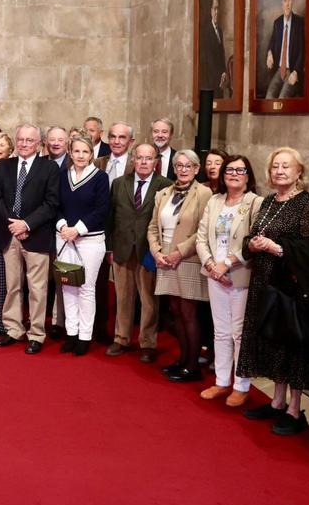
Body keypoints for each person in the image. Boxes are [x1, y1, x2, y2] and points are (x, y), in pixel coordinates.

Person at [238, 147, 309, 436]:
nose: (280, 171)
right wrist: (251, 243)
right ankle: (276, 402)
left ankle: (294, 409)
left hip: (292, 287)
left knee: (292, 347)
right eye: (275, 166)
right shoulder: (269, 201)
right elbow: (253, 234)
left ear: (299, 172)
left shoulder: (306, 203)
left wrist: (275, 248)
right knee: (273, 343)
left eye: (286, 166)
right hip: (264, 283)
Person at [196, 154, 263, 406]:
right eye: (229, 170)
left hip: (240, 274)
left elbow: (254, 241)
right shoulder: (215, 201)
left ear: (248, 176)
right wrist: (212, 265)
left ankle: (241, 385)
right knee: (221, 331)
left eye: (240, 170)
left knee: (239, 332)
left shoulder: (255, 202)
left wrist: (228, 263)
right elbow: (201, 237)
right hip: (215, 273)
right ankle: (221, 382)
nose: (234, 174)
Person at [0, 124, 60, 354]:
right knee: (12, 286)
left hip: (36, 235)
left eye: (29, 140)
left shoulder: (49, 168)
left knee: (37, 288)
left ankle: (36, 334)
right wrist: (13, 224)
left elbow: (51, 204)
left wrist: (27, 224)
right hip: (9, 235)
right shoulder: (4, 166)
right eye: (20, 139)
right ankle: (13, 329)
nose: (23, 144)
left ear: (39, 143)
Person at [147, 150, 212, 381]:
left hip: (188, 259)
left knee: (188, 314)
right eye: (179, 166)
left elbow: (203, 230)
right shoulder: (163, 193)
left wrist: (178, 252)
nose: (183, 170)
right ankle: (182, 359)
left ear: (196, 169)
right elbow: (153, 227)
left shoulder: (204, 194)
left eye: (189, 166)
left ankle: (193, 365)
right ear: (174, 168)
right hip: (164, 259)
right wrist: (156, 251)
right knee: (174, 312)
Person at [104, 143, 170, 362]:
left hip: (147, 250)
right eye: (139, 157)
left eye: (148, 158)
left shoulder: (165, 186)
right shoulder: (119, 183)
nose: (143, 162)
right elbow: (112, 217)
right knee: (123, 297)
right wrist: (110, 246)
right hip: (122, 248)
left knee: (149, 299)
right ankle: (121, 338)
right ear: (133, 159)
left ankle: (148, 343)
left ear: (156, 161)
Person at [54, 137, 110, 355]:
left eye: (85, 151)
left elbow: (101, 210)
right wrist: (62, 226)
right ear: (70, 152)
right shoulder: (62, 176)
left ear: (91, 154)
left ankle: (85, 337)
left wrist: (77, 229)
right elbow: (55, 205)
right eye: (76, 151)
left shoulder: (100, 178)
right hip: (64, 237)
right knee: (68, 286)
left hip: (89, 240)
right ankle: (71, 333)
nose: (80, 155)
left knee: (86, 289)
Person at [263, 0, 305, 99]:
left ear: (293, 1)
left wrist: (296, 72)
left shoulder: (299, 23)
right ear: (281, 3)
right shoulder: (277, 23)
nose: (287, 4)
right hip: (279, 71)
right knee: (268, 98)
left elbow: (302, 51)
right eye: (285, 0)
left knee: (282, 100)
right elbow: (271, 43)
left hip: (291, 72)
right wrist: (270, 53)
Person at [199, 0, 230, 98]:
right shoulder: (205, 31)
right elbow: (208, 60)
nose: (217, 12)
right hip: (209, 83)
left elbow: (221, 55)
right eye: (215, 9)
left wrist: (225, 73)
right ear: (210, 10)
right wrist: (219, 76)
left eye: (218, 9)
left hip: (219, 83)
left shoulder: (220, 31)